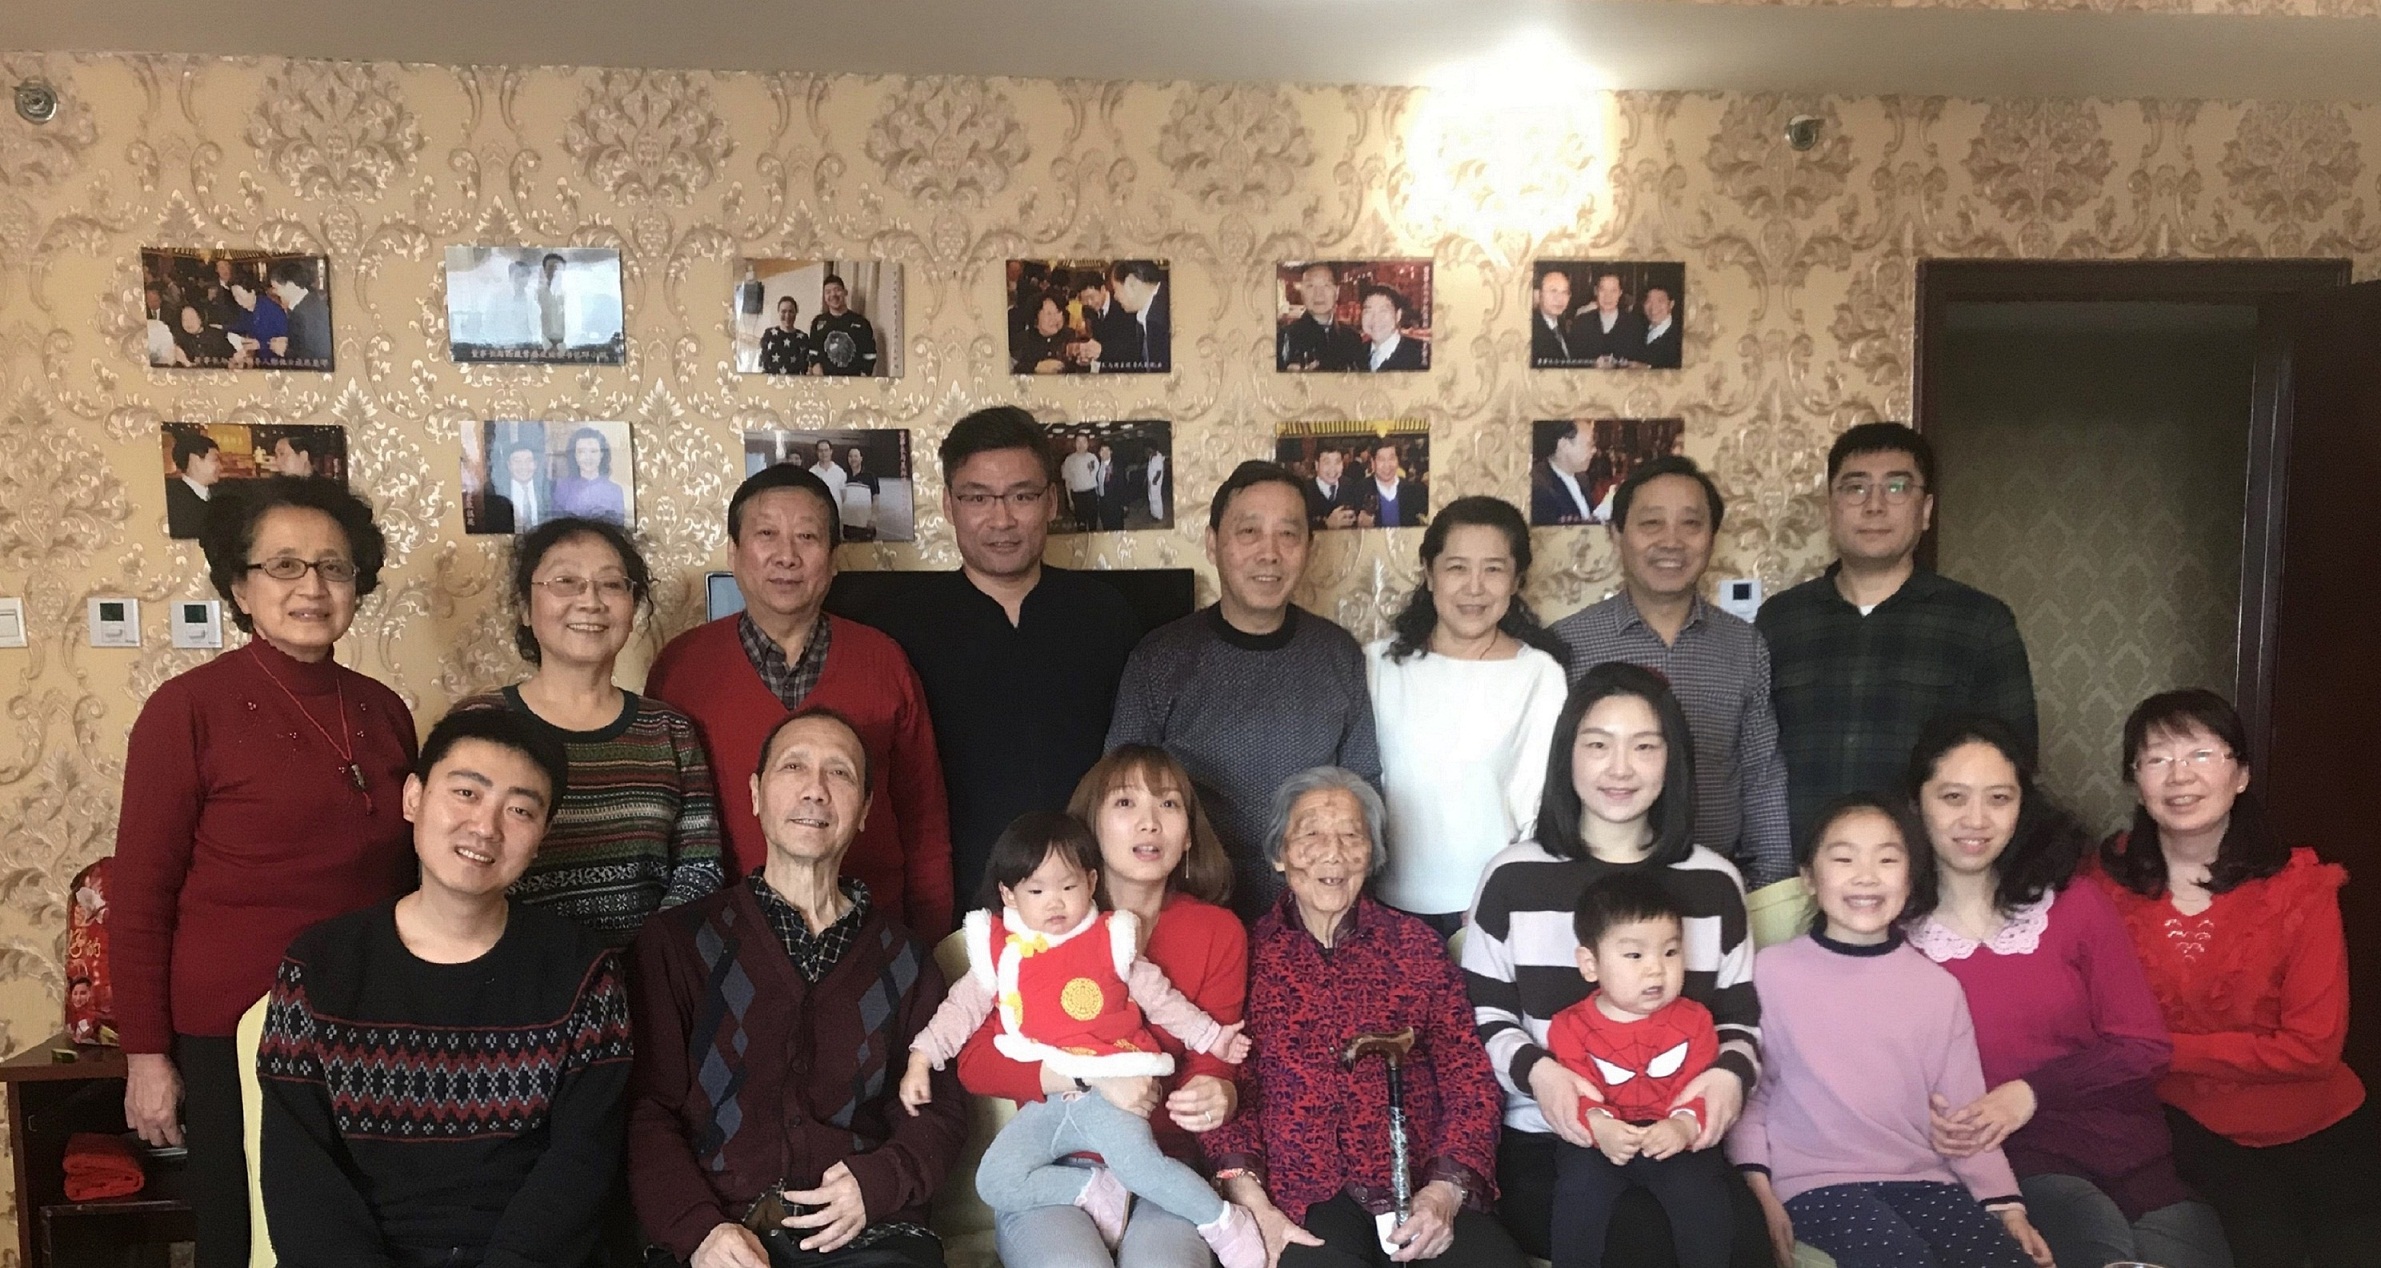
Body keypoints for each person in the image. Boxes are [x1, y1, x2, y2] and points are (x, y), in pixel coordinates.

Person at [113, 477, 418, 1268]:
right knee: (247, 1236)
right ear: (240, 587)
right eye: (284, 565)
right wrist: (146, 1056)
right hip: (233, 1031)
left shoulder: (383, 710)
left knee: (363, 1233)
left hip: (365, 1019)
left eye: (333, 566)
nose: (311, 586)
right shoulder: (187, 710)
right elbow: (140, 896)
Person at [257, 708, 632, 1267]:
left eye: (520, 809)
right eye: (466, 793)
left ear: (542, 835)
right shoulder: (320, 966)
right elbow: (300, 1175)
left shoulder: (583, 970)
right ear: (413, 797)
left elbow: (582, 1164)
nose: (486, 827)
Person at [627, 707, 965, 1268]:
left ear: (865, 811)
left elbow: (939, 1110)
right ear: (755, 794)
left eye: (840, 773)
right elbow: (647, 1111)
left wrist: (879, 1183)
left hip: (868, 1236)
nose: (815, 789)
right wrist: (700, 1230)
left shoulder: (907, 960)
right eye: (793, 767)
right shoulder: (678, 943)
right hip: (719, 1235)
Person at [1462, 663, 1764, 1267]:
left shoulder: (1713, 882)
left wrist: (1729, 1079)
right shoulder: (1513, 876)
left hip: (1678, 1134)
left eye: (1644, 747)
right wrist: (1542, 1077)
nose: (1620, 769)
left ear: (1672, 759)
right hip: (1550, 1139)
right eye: (1598, 745)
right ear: (1567, 756)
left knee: (1742, 1244)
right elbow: (1483, 1017)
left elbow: (1739, 1020)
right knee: (1633, 1242)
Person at [1899, 714, 2228, 1268]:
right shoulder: (1890, 934)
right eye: (1953, 797)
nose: (1976, 819)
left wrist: (2027, 1093)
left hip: (2130, 1156)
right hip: (2010, 1169)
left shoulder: (2074, 903)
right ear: (1916, 804)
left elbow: (2143, 1046)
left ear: (2022, 806)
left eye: (1999, 798)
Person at [2091, 689, 2379, 1268]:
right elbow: (2095, 1026)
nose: (2180, 776)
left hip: (2323, 1130)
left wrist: (2160, 1049)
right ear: (2137, 781)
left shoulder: (2302, 887)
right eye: (2157, 758)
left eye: (2201, 754)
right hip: (2189, 1138)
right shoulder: (2102, 888)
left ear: (2241, 775)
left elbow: (2313, 1049)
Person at [901, 812, 1263, 1268]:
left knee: (1140, 1168)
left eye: (1068, 887)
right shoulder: (1001, 953)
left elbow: (1163, 1002)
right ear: (1009, 895)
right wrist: (921, 1057)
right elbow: (960, 1011)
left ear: (1090, 882)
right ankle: (1092, 1191)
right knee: (994, 1179)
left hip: (1114, 1098)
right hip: (1052, 1108)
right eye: (1037, 891)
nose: (1054, 902)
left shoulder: (1110, 939)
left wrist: (1213, 1039)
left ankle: (1223, 1221)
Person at [1207, 768, 1526, 1268]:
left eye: (1352, 836)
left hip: (1418, 1186)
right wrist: (1256, 1206)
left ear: (1372, 855)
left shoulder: (1416, 948)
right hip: (1302, 1199)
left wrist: (1445, 1191)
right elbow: (1224, 1083)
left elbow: (1470, 1078)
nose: (1333, 852)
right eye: (1311, 834)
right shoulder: (1247, 953)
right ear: (1278, 854)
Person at [1734, 793, 2052, 1268]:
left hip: (1926, 1181)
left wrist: (2006, 1206)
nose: (1866, 876)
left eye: (1887, 859)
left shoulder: (1938, 989)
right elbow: (1750, 1098)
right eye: (1844, 859)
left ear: (1910, 877)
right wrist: (1758, 1191)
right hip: (1817, 1185)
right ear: (1809, 878)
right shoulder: (1770, 973)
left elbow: (1964, 1117)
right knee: (1905, 1259)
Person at [646, 465, 954, 936]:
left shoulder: (884, 660)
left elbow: (924, 820)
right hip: (726, 942)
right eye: (766, 534)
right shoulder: (681, 667)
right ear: (734, 552)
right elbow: (661, 828)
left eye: (807, 537)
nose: (787, 556)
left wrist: (929, 944)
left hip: (872, 937)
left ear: (832, 559)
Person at [870, 407, 1142, 902]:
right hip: (955, 903)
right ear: (949, 505)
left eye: (1022, 496)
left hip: (1091, 896)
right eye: (978, 498)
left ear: (1052, 501)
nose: (1002, 519)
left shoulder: (1106, 617)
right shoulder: (901, 631)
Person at [1108, 461, 1381, 918]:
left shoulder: (1338, 654)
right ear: (1213, 543)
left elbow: (1363, 788)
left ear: (1308, 548)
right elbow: (1118, 795)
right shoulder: (1159, 658)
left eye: (1288, 534)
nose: (1269, 553)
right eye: (1249, 532)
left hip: (1311, 910)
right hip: (1189, 907)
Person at [1756, 422, 2037, 844]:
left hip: (1927, 868)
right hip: (1799, 865)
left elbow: (2014, 766)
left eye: (1896, 487)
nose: (1874, 505)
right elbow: (1752, 760)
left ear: (1925, 510)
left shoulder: (1979, 623)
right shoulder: (1780, 620)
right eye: (1855, 488)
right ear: (1830, 507)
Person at [454, 517, 725, 943]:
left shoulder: (669, 730)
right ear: (525, 608)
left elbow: (700, 870)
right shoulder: (480, 722)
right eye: (566, 581)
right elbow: (451, 866)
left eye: (612, 584)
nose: (590, 601)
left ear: (633, 607)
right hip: (515, 971)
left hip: (645, 971)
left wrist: (643, 960)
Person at [1552, 458, 1794, 889]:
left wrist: (1768, 881)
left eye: (1690, 524)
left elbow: (1761, 773)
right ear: (1616, 535)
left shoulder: (1744, 646)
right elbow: (1548, 774)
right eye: (1651, 523)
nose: (1671, 541)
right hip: (1594, 886)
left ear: (1712, 537)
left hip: (1714, 880)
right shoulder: (1568, 645)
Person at [1366, 497, 1569, 932]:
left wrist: (1506, 896)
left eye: (1493, 569)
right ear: (1429, 573)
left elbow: (1543, 804)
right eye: (1457, 567)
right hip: (1387, 907)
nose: (1474, 587)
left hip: (1493, 905)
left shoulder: (1538, 674)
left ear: (1516, 579)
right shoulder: (1378, 666)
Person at [1547, 875, 1732, 1268]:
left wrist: (1684, 1126)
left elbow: (1703, 1088)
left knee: (1705, 1199)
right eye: (1634, 956)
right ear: (1590, 964)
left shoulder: (1696, 1020)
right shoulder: (1568, 1026)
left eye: (1670, 952)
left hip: (1672, 1132)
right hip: (1600, 1135)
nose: (1656, 970)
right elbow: (1572, 1092)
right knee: (1577, 1194)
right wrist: (1599, 1126)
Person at [1279, 262, 1364, 372]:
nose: (1319, 294)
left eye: (1326, 285)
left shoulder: (1352, 338)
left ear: (1337, 292)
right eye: (1310, 286)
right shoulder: (1285, 338)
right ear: (1302, 292)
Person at [1098, 259, 1169, 373]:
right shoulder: (1145, 315)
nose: (1115, 296)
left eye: (1115, 289)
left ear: (1132, 283)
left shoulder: (1167, 317)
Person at [1529, 420, 1603, 526]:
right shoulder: (1538, 487)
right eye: (1589, 444)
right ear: (1564, 445)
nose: (1594, 450)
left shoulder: (1582, 477)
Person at [553, 426, 628, 523]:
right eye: (581, 452)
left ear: (602, 454)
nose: (588, 457)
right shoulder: (562, 488)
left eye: (593, 451)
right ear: (575, 455)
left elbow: (618, 527)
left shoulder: (614, 491)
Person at [812, 273, 881, 375]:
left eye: (837, 290)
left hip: (854, 382)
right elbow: (814, 356)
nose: (833, 295)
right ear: (824, 297)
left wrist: (861, 380)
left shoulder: (861, 323)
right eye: (828, 292)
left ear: (845, 292)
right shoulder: (817, 323)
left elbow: (869, 356)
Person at [268, 257, 332, 366]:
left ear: (290, 285)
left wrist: (285, 351)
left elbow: (315, 355)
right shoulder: (308, 302)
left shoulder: (305, 313)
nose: (276, 293)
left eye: (277, 288)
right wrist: (288, 342)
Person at [1353, 439, 1428, 528]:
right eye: (1381, 459)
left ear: (1398, 462)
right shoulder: (1360, 490)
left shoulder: (1412, 490)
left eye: (1391, 458)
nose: (1387, 465)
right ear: (1373, 462)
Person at [1574, 272, 1644, 368]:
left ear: (1620, 293)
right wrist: (1592, 364)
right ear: (1596, 291)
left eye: (1613, 291)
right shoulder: (1582, 323)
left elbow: (1640, 362)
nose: (1608, 296)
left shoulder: (1634, 324)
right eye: (1603, 290)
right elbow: (1574, 361)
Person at [481, 441, 549, 535]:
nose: (523, 467)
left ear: (535, 464)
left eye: (528, 461)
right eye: (517, 461)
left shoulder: (547, 489)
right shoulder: (497, 491)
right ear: (509, 465)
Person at [1356, 285, 1427, 372]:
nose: (1375, 318)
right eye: (1368, 311)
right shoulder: (1356, 354)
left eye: (1383, 311)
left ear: (1398, 315)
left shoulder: (1420, 356)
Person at [166, 429, 222, 539]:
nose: (221, 467)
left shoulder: (222, 493)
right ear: (195, 460)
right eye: (215, 460)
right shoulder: (174, 501)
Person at [1018, 291, 1081, 374]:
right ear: (1036, 318)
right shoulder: (1024, 340)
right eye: (1049, 314)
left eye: (1058, 312)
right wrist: (1036, 367)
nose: (1055, 318)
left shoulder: (1071, 336)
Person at [1533, 268, 1583, 367]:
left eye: (1564, 292)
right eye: (1553, 291)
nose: (1559, 298)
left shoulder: (1562, 325)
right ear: (1539, 294)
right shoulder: (1532, 330)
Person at [1304, 447, 1358, 530]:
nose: (1333, 468)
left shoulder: (1351, 486)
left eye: (1337, 462)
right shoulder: (1304, 491)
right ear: (1317, 465)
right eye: (1327, 462)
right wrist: (1326, 525)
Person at [759, 294, 812, 375]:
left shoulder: (803, 338)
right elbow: (762, 364)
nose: (787, 315)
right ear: (778, 312)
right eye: (783, 311)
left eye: (791, 311)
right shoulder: (769, 335)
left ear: (796, 313)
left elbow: (805, 367)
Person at [171, 303, 236, 365]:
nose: (188, 323)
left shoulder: (216, 336)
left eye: (192, 318)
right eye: (184, 320)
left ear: (201, 318)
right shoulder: (181, 340)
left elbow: (233, 359)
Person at [1063, 433, 1103, 532]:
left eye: (1084, 442)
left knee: (1093, 524)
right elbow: (1067, 482)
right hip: (1078, 496)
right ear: (1074, 444)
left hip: (1091, 495)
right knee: (1081, 526)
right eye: (1078, 442)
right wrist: (1070, 500)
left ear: (1088, 444)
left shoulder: (1093, 458)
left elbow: (1099, 478)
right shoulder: (1069, 460)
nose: (1081, 445)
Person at [1636, 286, 1681, 369]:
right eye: (1649, 301)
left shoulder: (1679, 339)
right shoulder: (1637, 331)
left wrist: (1647, 368)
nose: (1653, 307)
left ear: (1671, 304)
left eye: (1660, 301)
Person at [537, 252, 567, 354]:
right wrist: (546, 345)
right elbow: (535, 321)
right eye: (550, 267)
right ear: (544, 270)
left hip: (566, 345)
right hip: (542, 345)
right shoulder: (538, 294)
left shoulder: (569, 295)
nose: (554, 271)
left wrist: (563, 345)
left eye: (557, 268)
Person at [811, 438, 850, 504]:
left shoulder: (840, 472)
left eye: (826, 450)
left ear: (831, 451)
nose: (824, 453)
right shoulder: (812, 472)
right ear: (817, 452)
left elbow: (843, 496)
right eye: (821, 451)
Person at [1145, 448, 1168, 524]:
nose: (1145, 452)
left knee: (1156, 499)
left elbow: (1159, 471)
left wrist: (1154, 481)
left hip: (1155, 482)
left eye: (1146, 450)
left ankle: (1159, 516)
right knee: (1151, 498)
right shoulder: (1151, 456)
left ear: (1151, 448)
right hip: (1151, 482)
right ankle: (1153, 513)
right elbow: (1150, 469)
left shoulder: (1158, 456)